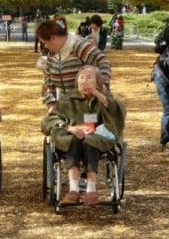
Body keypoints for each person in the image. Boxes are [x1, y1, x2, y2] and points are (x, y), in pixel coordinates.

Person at [41, 65, 125, 204]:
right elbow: (48, 120)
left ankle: (91, 189)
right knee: (74, 141)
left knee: (89, 141)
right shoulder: (68, 100)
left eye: (89, 77)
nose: (84, 81)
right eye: (81, 78)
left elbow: (118, 112)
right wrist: (70, 128)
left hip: (96, 138)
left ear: (98, 83)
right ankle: (73, 189)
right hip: (72, 136)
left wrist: (97, 94)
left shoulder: (104, 98)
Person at [35, 16, 111, 112]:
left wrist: (101, 88)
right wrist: (51, 103)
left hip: (87, 107)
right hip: (65, 108)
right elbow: (47, 80)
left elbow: (103, 61)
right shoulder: (52, 53)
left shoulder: (78, 45)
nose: (45, 46)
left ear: (53, 38)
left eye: (45, 42)